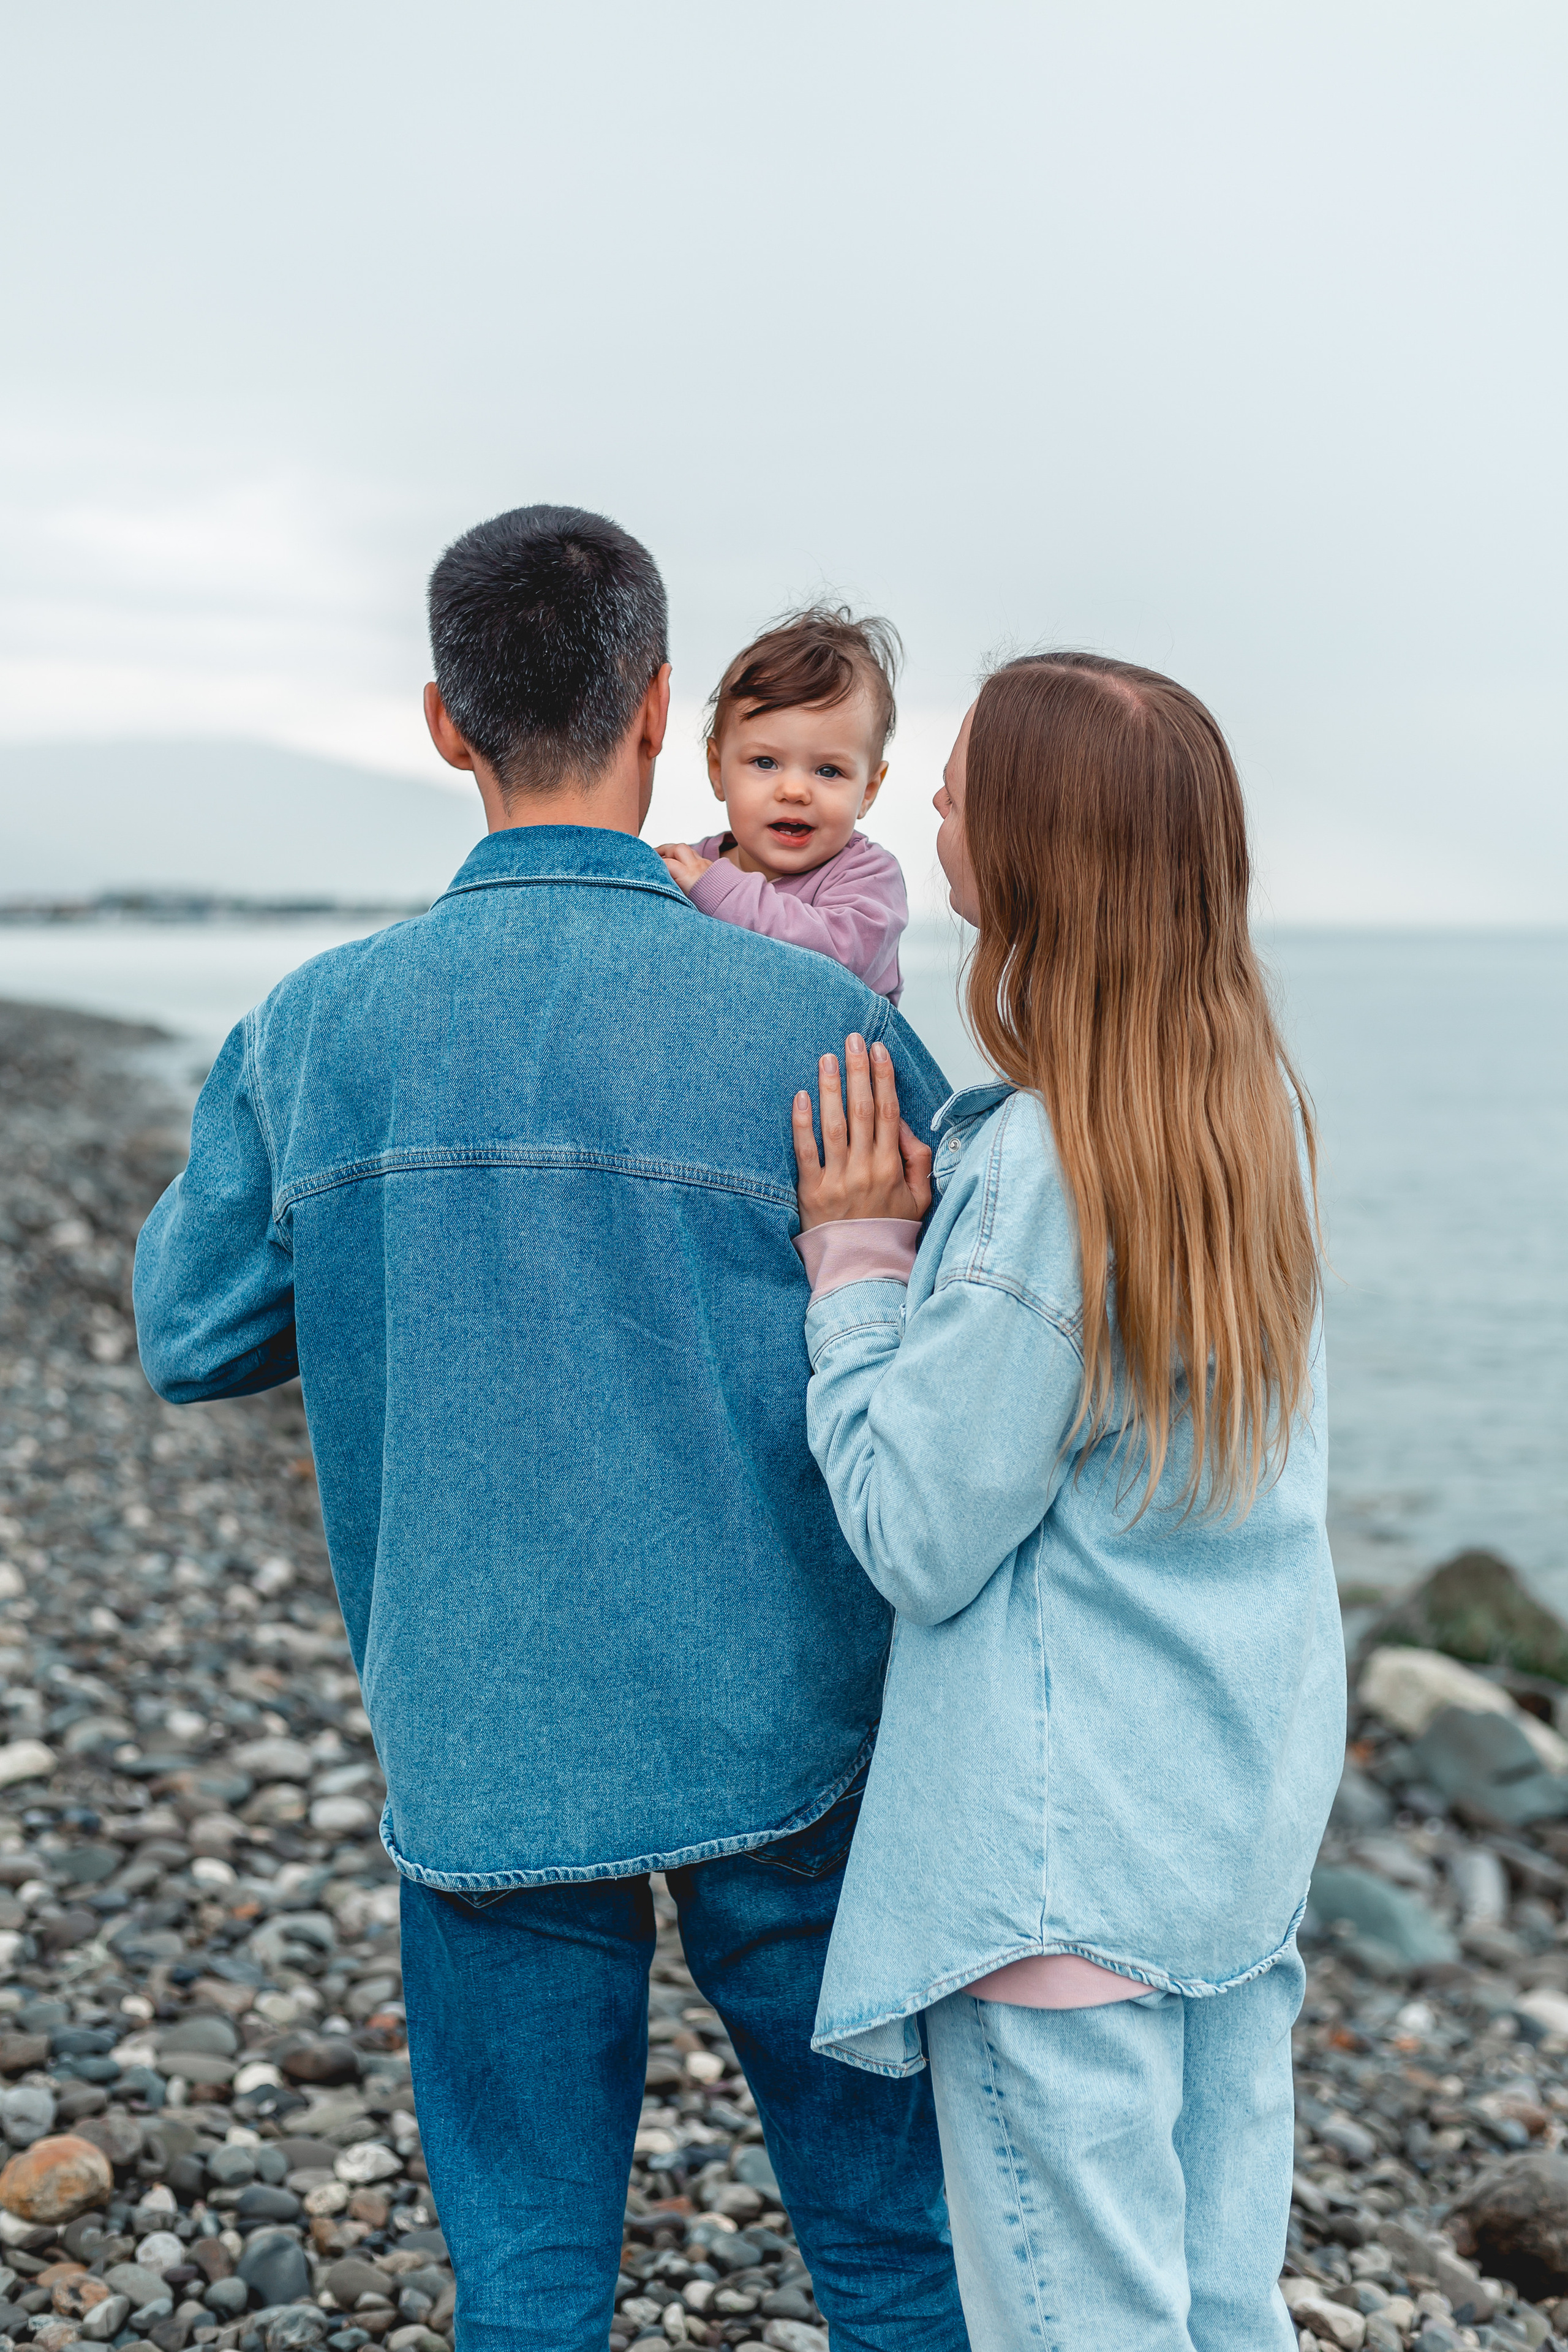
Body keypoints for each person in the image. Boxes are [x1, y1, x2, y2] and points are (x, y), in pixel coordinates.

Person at [132, 505, 968, 2352]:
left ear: (443, 719)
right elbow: (966, 1353)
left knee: (525, 2287)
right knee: (896, 2256)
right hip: (792, 1720)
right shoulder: (820, 1021)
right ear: (663, 708)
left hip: (481, 1719)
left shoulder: (312, 1026)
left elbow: (192, 1333)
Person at [785, 654, 1345, 2351]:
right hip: (1227, 1849)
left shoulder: (1043, 1169)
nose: (928, 808)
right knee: (1218, 2311)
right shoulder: (1246, 1120)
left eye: (957, 786)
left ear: (1031, 850)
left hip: (1061, 1874)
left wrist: (861, 1268)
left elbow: (918, 1535)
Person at [657, 606, 909, 1000]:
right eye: (765, 762)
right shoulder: (688, 869)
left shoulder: (868, 877)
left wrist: (720, 892)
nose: (794, 791)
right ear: (718, 768)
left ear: (869, 789)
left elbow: (839, 960)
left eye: (828, 771)